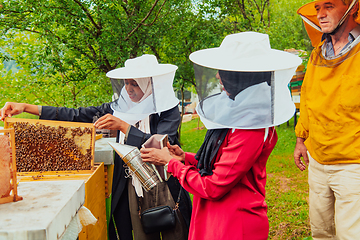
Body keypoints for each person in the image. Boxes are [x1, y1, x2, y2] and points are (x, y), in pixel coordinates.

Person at [0, 54, 192, 240]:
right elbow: (76, 114)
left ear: (150, 84)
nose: (129, 88)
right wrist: (26, 107)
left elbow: (163, 144)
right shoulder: (119, 107)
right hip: (127, 184)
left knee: (171, 229)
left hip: (164, 184)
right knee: (135, 230)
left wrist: (124, 127)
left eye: (135, 83)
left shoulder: (168, 110)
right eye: (126, 83)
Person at [140, 32, 301, 240]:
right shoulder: (240, 112)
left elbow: (214, 186)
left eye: (223, 70)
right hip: (216, 217)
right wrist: (184, 158)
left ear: (244, 75)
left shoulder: (252, 127)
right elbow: (221, 160)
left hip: (235, 223)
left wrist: (171, 164)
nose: (217, 76)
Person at [294, 0, 360, 239]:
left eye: (329, 6)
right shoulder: (317, 53)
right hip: (318, 160)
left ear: (352, 7)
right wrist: (301, 138)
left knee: (351, 235)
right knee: (321, 231)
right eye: (318, 8)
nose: (320, 14)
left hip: (353, 163)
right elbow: (308, 98)